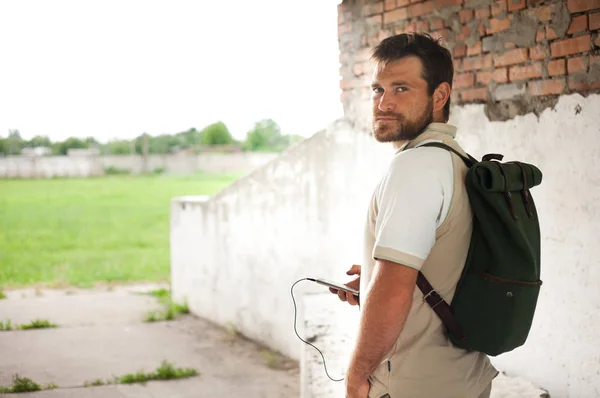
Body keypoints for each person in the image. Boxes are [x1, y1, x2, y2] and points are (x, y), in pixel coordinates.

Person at [331, 33, 499, 398]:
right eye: (378, 89)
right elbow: (445, 265)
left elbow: (394, 290)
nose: (384, 102)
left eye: (401, 88)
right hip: (462, 377)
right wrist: (374, 280)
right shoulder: (455, 160)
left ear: (439, 96)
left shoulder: (414, 167)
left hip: (410, 385)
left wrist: (357, 375)